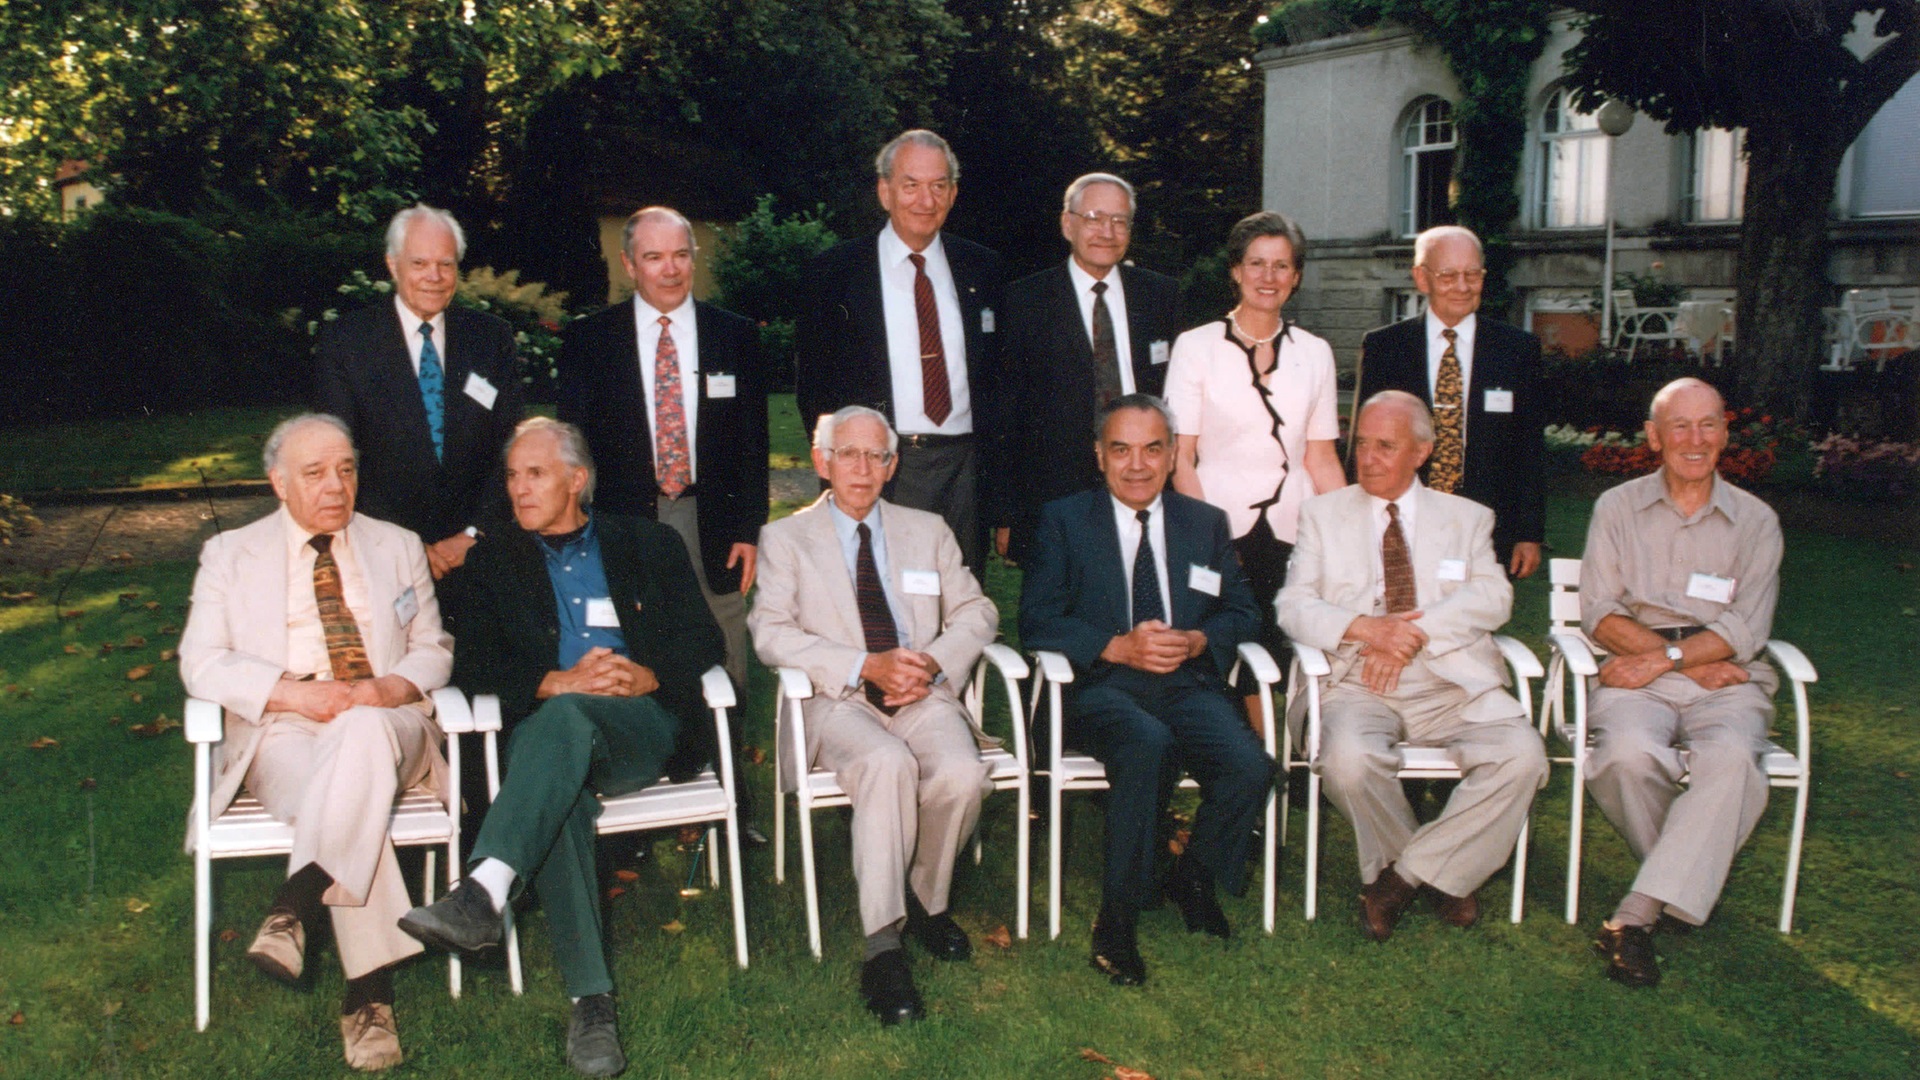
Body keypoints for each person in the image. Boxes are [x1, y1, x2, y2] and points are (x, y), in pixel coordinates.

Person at [397, 418, 724, 1076]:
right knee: (563, 782)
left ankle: (486, 889)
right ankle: (592, 1008)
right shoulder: (494, 561)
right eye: (512, 475)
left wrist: (649, 674)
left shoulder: (647, 543)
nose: (517, 489)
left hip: (638, 725)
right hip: (550, 737)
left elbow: (703, 641)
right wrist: (555, 681)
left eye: (535, 474)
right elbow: (476, 665)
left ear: (577, 479)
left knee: (569, 722)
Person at [179, 413, 453, 1071]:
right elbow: (201, 661)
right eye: (314, 473)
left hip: (392, 727)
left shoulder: (397, 544)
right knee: (347, 802)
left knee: (358, 734)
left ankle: (295, 903)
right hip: (286, 726)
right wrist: (295, 694)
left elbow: (434, 650)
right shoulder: (230, 553)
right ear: (277, 482)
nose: (335, 486)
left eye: (346, 469)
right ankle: (368, 999)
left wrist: (383, 691)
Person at [748, 406, 998, 1025]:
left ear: (892, 466)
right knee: (886, 764)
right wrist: (865, 664)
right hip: (839, 699)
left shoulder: (928, 529)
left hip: (920, 691)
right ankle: (883, 947)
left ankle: (925, 901)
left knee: (964, 776)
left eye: (875, 457)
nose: (861, 469)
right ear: (821, 462)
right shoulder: (786, 538)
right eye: (847, 454)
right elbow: (769, 633)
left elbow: (978, 611)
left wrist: (933, 663)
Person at [1019, 394, 1276, 987]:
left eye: (1152, 449)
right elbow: (1037, 619)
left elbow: (1243, 613)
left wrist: (1195, 641)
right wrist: (1114, 646)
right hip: (1097, 686)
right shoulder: (1064, 519)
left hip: (1184, 680)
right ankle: (1115, 921)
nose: (1137, 465)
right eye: (1121, 450)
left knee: (1250, 767)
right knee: (1145, 742)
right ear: (1099, 456)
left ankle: (1190, 875)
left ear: (1170, 456)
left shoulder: (1204, 523)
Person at [1276, 391, 1547, 942]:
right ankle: (1443, 874)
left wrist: (1413, 633)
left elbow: (1494, 598)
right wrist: (1367, 629)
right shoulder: (1322, 515)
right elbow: (1293, 605)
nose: (1367, 458)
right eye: (1362, 445)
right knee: (1349, 761)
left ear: (1421, 452)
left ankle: (1400, 880)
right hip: (1356, 680)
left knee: (1524, 757)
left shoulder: (1468, 518)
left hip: (1449, 679)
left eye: (1386, 446)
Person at [557, 205, 770, 840]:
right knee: (639, 649)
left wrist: (749, 527)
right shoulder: (591, 340)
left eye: (680, 254)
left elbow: (755, 441)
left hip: (712, 519)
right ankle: (647, 796)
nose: (670, 268)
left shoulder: (733, 334)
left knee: (725, 651)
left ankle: (730, 802)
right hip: (626, 523)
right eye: (654, 257)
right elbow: (574, 445)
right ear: (630, 265)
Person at [1579, 377, 1783, 988]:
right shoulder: (1616, 508)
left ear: (1725, 432)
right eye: (1680, 426)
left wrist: (1670, 659)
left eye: (1708, 425)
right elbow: (1600, 613)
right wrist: (1681, 658)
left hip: (1724, 681)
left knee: (1732, 763)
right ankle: (1682, 878)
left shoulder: (1756, 520)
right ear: (1653, 436)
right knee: (1624, 755)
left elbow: (1747, 623)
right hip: (1642, 673)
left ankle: (1636, 914)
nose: (1695, 440)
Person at [795, 129, 1006, 577]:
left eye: (938, 186)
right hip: (884, 467)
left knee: (961, 598)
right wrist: (837, 472)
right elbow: (815, 388)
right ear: (885, 191)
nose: (925, 200)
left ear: (952, 193)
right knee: (881, 598)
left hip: (965, 471)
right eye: (911, 185)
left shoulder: (984, 269)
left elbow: (1002, 381)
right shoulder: (835, 273)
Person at [1163, 211, 1346, 715]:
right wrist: (1208, 536)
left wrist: (1349, 532)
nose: (1269, 277)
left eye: (1281, 266)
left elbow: (1322, 456)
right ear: (1236, 271)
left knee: (1293, 646)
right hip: (1217, 526)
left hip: (1295, 528)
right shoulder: (1196, 347)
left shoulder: (1316, 353)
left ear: (1297, 276)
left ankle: (1295, 762)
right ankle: (1248, 764)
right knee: (1226, 648)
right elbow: (1182, 457)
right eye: (1257, 264)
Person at [314, 204, 525, 581]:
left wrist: (474, 534)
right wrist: (408, 549)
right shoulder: (347, 342)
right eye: (419, 264)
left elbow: (511, 448)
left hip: (478, 555)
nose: (435, 277)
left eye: (446, 265)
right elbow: (340, 458)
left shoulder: (491, 338)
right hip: (383, 558)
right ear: (392, 264)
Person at [996, 172, 1181, 565]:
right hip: (1055, 495)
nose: (1107, 232)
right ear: (1068, 223)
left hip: (1143, 480)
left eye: (1119, 221)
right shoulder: (1024, 301)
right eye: (1095, 218)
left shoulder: (1161, 295)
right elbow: (1006, 412)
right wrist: (1007, 512)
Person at [1353, 224, 1544, 579]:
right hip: (1401, 519)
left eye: (1473, 274)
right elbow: (1363, 446)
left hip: (1488, 525)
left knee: (1473, 623)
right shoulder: (1385, 348)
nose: (1462, 286)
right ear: (1421, 278)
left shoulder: (1517, 350)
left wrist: (1528, 532)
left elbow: (1529, 447)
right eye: (1448, 275)